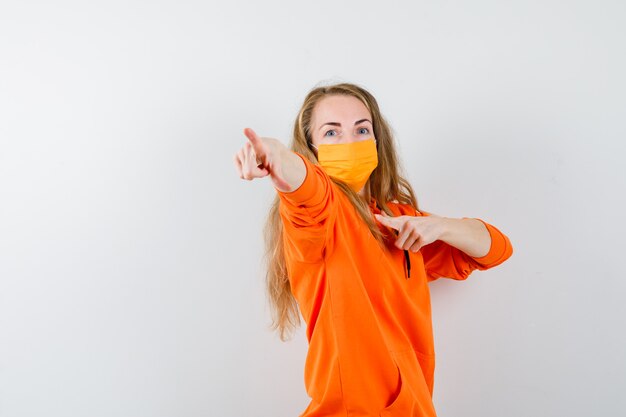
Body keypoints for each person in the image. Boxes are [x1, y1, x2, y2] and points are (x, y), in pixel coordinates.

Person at [233, 82, 513, 417]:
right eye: (332, 133)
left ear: (377, 140)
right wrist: (274, 155)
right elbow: (303, 184)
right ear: (311, 147)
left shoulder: (400, 221)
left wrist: (439, 226)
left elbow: (495, 249)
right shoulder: (321, 215)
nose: (350, 141)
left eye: (361, 129)